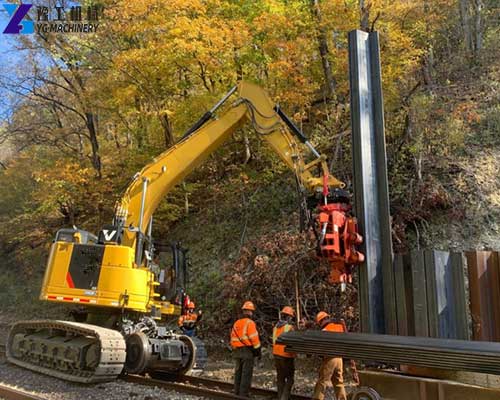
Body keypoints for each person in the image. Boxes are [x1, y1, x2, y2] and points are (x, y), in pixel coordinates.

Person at [312, 311, 347, 400]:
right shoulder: (339, 326)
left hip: (330, 358)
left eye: (320, 323)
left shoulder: (325, 330)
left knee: (322, 381)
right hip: (339, 358)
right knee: (338, 382)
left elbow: (321, 347)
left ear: (322, 320)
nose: (320, 325)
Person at [230, 300, 261, 397]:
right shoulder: (250, 323)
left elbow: (232, 338)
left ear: (243, 311)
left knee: (238, 372)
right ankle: (243, 394)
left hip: (236, 351)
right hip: (247, 351)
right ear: (250, 312)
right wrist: (257, 351)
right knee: (246, 373)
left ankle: (236, 392)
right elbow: (254, 339)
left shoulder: (236, 323)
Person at [272, 306, 297, 400]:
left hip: (276, 355)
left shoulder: (275, 327)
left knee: (280, 378)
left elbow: (275, 341)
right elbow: (293, 343)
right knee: (290, 378)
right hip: (286, 357)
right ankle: (284, 398)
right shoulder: (289, 327)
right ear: (289, 317)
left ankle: (280, 397)